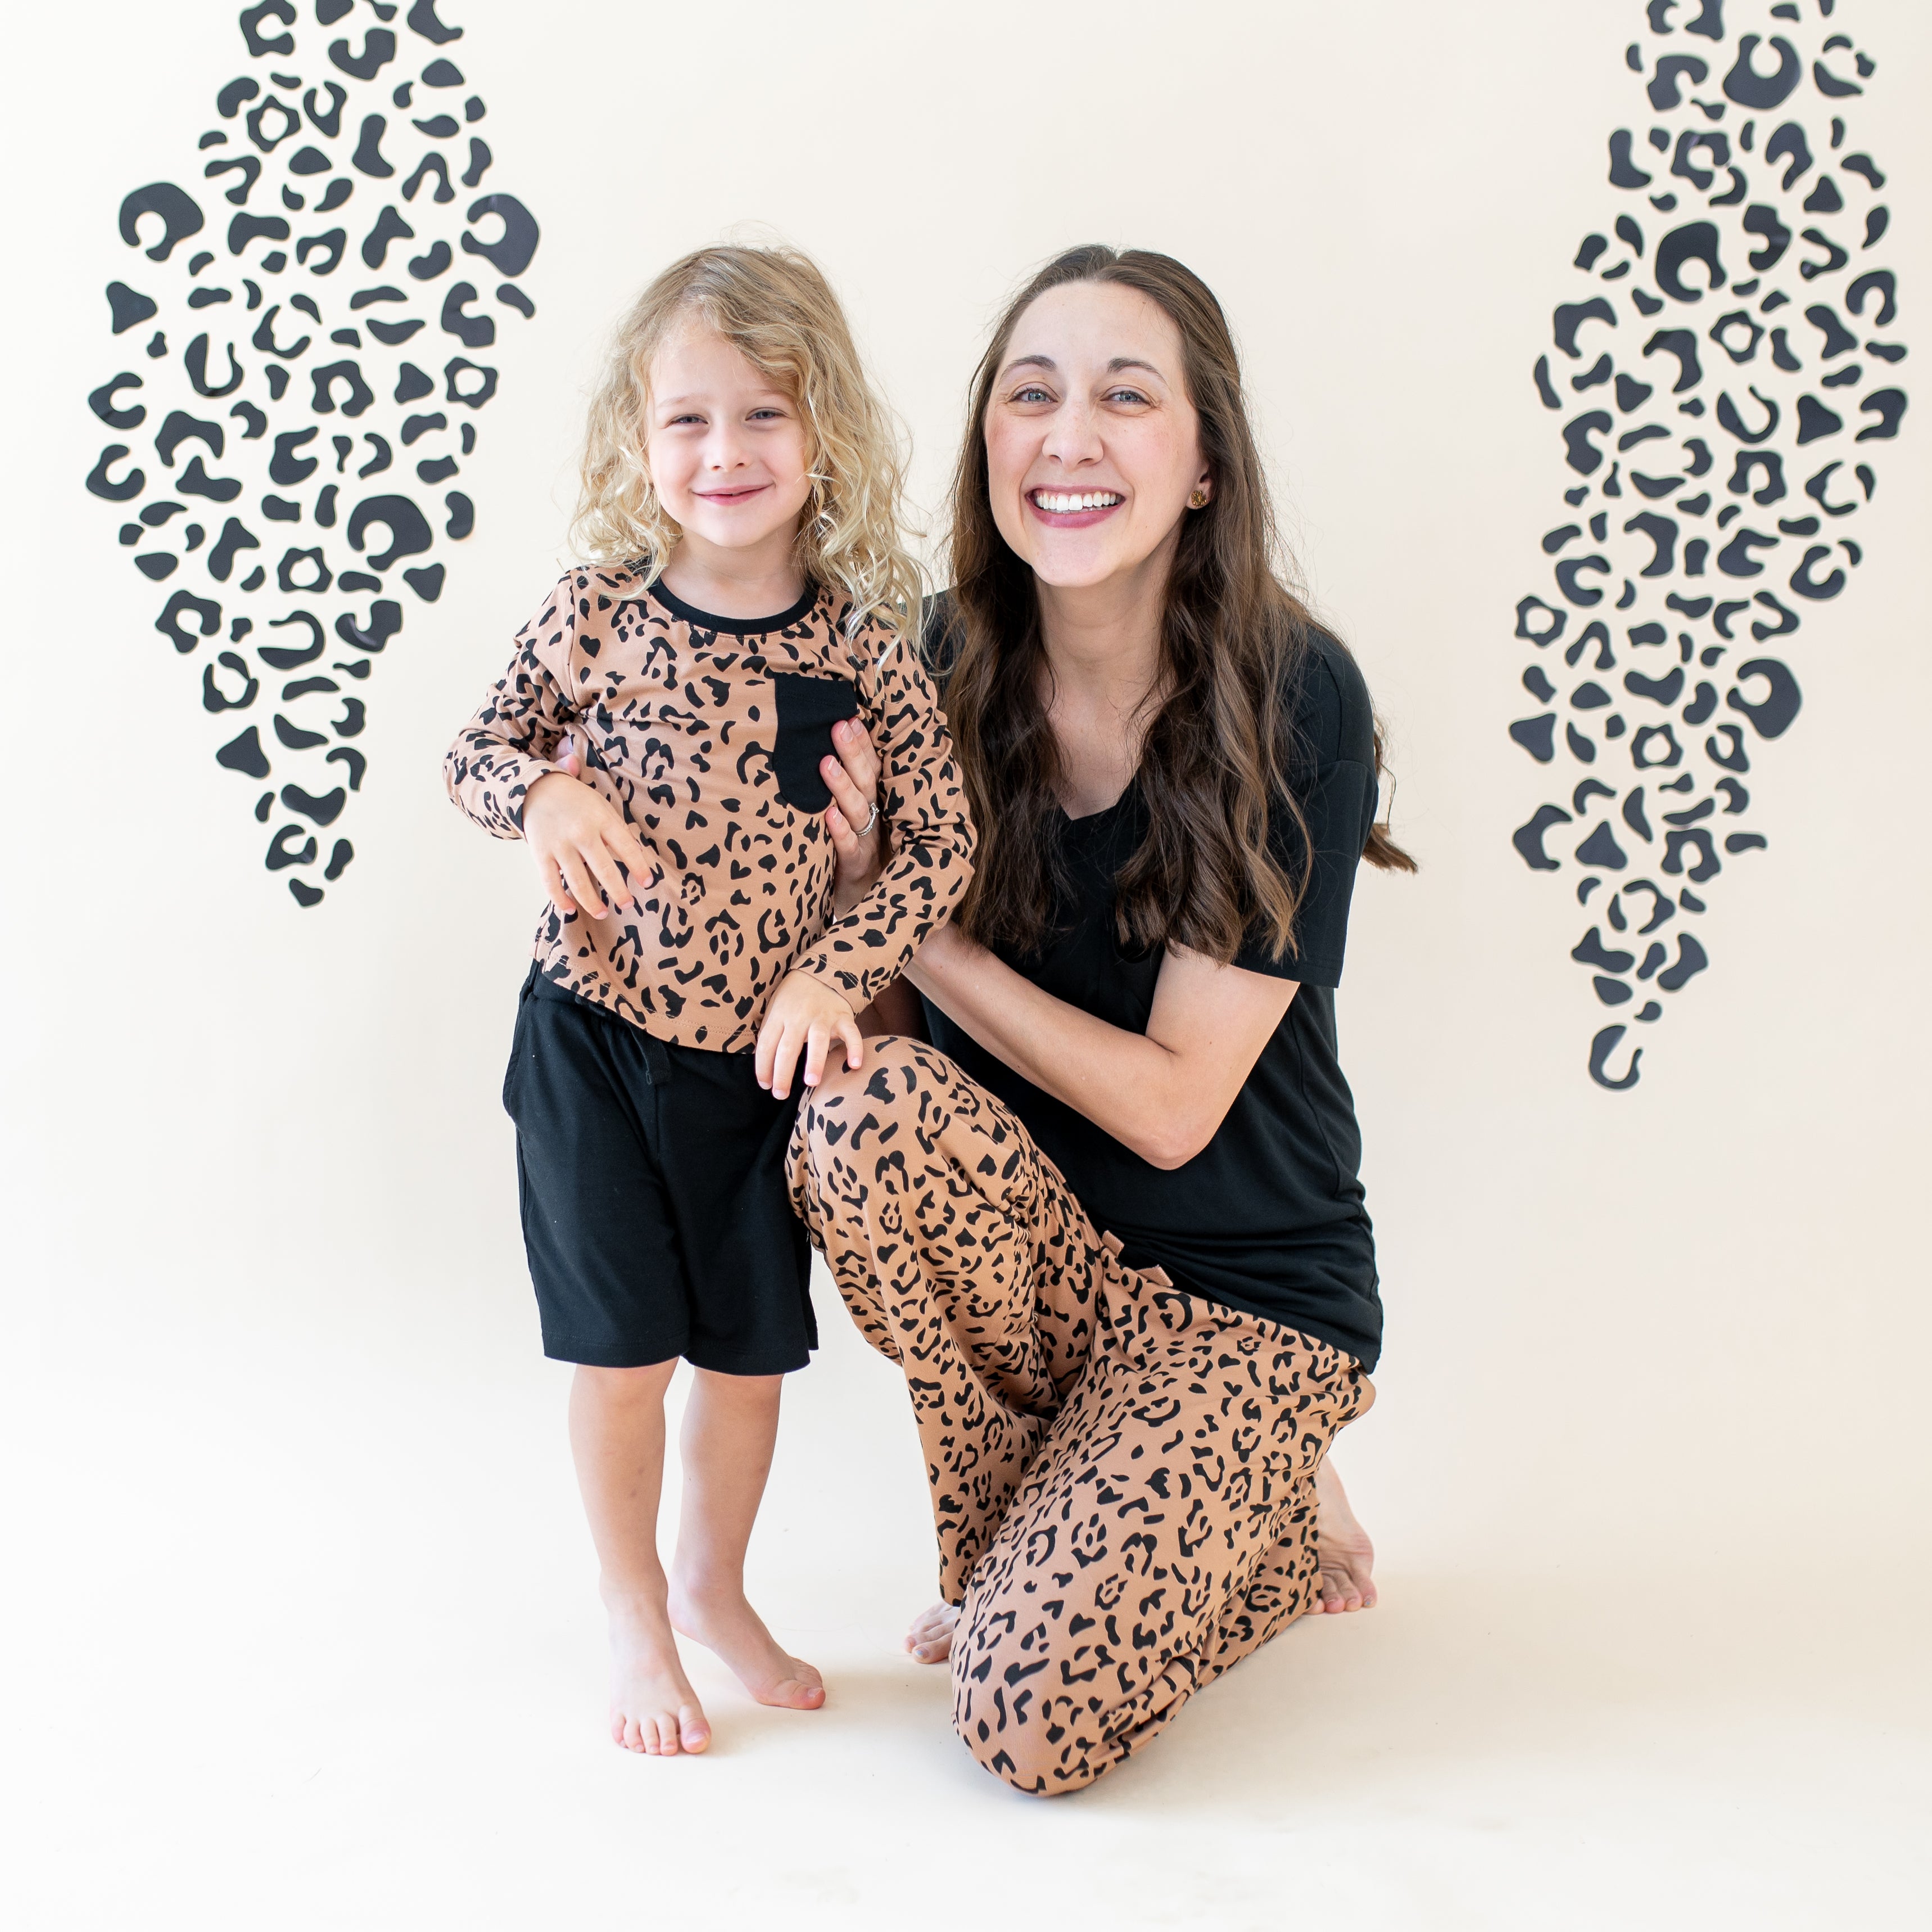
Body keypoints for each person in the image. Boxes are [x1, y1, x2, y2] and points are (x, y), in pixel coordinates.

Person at [791, 244, 1414, 1794]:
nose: (1070, 437)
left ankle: (1261, 1499)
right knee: (852, 1120)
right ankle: (1037, 1524)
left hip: (1249, 1305)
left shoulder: (1295, 694)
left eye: (1128, 399)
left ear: (1205, 464)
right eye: (1031, 395)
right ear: (989, 444)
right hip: (1054, 1281)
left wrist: (907, 917)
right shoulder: (923, 669)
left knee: (1022, 1717)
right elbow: (869, 1053)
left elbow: (1171, 1109)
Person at [442, 246, 975, 1759]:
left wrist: (830, 969)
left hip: (758, 1070)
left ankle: (710, 1586)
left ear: (827, 442)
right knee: (625, 1356)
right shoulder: (593, 618)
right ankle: (629, 1608)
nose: (726, 453)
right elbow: (475, 752)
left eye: (764, 416)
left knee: (747, 1364)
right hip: (594, 1043)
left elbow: (941, 847)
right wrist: (541, 795)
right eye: (689, 421)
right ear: (637, 443)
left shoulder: (864, 653)